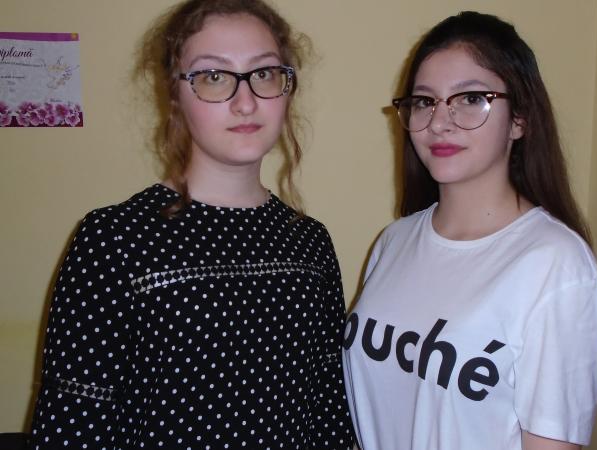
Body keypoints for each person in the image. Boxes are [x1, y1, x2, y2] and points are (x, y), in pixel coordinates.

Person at [29, 0, 354, 448]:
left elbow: (329, 412)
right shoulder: (113, 240)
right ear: (175, 94)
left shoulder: (309, 242)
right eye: (214, 76)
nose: (245, 102)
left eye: (263, 73)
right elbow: (73, 425)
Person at [342, 11, 597, 450]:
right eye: (424, 101)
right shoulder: (394, 241)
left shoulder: (557, 266)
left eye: (470, 98)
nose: (438, 122)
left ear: (520, 119)